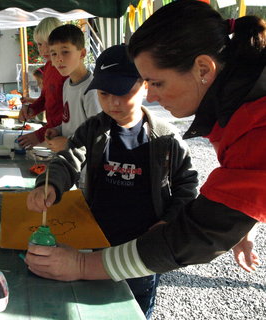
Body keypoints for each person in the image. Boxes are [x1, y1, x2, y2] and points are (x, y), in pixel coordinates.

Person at [24, 0, 265, 291]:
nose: (151, 97)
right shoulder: (242, 108)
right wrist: (244, 216)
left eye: (157, 83)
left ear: (204, 69)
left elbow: (197, 232)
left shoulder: (255, 125)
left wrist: (82, 265)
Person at [25, 44, 198, 318]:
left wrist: (169, 221)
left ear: (144, 86)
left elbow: (187, 186)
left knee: (133, 306)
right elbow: (68, 159)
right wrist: (50, 185)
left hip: (141, 247)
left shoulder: (166, 138)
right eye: (104, 94)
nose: (113, 103)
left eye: (123, 93)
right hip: (94, 239)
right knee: (91, 303)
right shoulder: (93, 128)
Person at [45, 24, 101, 153]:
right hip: (69, 161)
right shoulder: (67, 84)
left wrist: (69, 143)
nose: (59, 59)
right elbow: (70, 123)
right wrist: (57, 130)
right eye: (53, 54)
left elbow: (98, 136)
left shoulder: (92, 90)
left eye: (65, 52)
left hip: (84, 167)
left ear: (82, 53)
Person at [17, 17, 67, 149]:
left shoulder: (65, 71)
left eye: (48, 43)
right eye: (39, 44)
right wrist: (31, 109)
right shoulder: (49, 66)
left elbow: (68, 115)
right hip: (51, 133)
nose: (44, 50)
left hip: (65, 138)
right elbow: (45, 98)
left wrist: (38, 136)